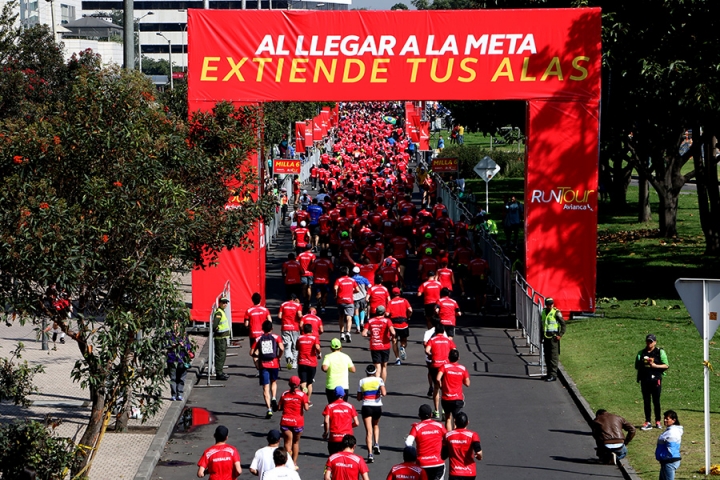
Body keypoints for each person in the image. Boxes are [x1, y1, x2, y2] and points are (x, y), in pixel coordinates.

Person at [251, 320, 285, 418]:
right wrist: (278, 356)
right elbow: (282, 348)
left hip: (263, 365)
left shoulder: (259, 338)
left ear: (262, 329)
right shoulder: (276, 337)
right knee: (274, 382)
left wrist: (256, 357)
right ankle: (274, 398)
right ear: (272, 329)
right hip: (274, 363)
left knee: (265, 387)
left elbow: (251, 352)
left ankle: (269, 409)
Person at [635, 333, 669, 430]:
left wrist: (655, 366)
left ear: (655, 342)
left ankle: (658, 421)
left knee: (656, 401)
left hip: (656, 380)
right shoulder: (641, 353)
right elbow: (637, 366)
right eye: (648, 341)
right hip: (645, 380)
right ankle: (647, 421)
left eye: (651, 341)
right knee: (646, 401)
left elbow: (666, 365)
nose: (649, 343)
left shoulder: (659, 352)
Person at [405, 404, 447, 480]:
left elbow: (408, 443)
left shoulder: (417, 427)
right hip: (438, 463)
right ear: (431, 414)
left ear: (419, 415)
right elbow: (448, 438)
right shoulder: (439, 426)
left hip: (422, 464)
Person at [425, 324, 456, 418]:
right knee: (445, 388)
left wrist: (431, 355)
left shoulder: (432, 340)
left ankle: (437, 410)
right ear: (443, 331)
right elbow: (454, 350)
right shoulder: (448, 340)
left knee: (436, 388)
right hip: (445, 366)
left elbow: (427, 350)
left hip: (435, 365)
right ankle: (444, 409)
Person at [357, 364, 386, 463]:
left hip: (366, 407)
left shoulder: (362, 381)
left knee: (368, 432)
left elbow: (359, 398)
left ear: (366, 372)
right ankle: (376, 444)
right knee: (376, 425)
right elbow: (384, 393)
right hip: (377, 406)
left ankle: (370, 454)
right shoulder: (379, 380)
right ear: (374, 372)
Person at [441, 412, 482, 480]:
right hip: (470, 472)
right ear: (467, 422)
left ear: (455, 423)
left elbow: (443, 456)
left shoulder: (448, 435)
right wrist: (479, 456)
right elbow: (479, 453)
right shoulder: (473, 435)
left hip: (455, 472)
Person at [436, 349, 470, 431]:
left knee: (448, 418)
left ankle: (449, 436)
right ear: (458, 358)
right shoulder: (462, 368)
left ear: (448, 357)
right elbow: (467, 383)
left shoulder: (444, 367)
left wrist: (441, 385)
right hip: (457, 398)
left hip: (446, 398)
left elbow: (437, 378)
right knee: (457, 419)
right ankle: (456, 436)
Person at [278, 376, 309, 464]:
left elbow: (279, 407)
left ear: (289, 384)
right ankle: (294, 463)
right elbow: (306, 408)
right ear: (299, 385)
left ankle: (286, 462)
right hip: (297, 422)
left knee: (287, 443)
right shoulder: (302, 395)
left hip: (285, 421)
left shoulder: (284, 393)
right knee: (295, 442)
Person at [323, 387, 361, 455]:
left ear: (334, 395)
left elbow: (326, 421)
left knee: (334, 459)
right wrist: (349, 426)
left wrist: (326, 432)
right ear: (344, 395)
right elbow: (357, 423)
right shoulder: (350, 406)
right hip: (347, 437)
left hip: (334, 437)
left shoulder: (329, 407)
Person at [362, 305, 395, 382]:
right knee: (384, 366)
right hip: (385, 346)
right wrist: (392, 338)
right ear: (384, 313)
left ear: (376, 312)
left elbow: (364, 333)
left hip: (375, 346)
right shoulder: (387, 321)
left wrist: (370, 335)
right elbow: (393, 332)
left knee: (377, 367)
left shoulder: (370, 321)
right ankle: (382, 385)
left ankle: (377, 386)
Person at [166, 316, 195, 401]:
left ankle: (180, 394)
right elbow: (166, 346)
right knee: (173, 378)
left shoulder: (184, 335)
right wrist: (173, 346)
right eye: (173, 324)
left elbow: (188, 346)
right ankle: (174, 395)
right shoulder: (169, 335)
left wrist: (184, 345)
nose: (175, 326)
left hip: (182, 359)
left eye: (177, 324)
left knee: (181, 378)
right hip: (172, 359)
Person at [322, 337, 356, 403]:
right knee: (343, 406)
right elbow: (353, 370)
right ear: (341, 347)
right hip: (344, 386)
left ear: (331, 348)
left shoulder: (328, 356)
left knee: (332, 407)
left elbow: (325, 368)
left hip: (331, 386)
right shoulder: (346, 356)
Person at [245, 292, 273, 371]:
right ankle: (265, 366)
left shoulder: (249, 311)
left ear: (252, 300)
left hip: (253, 334)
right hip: (263, 334)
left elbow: (246, 324)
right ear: (260, 300)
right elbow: (270, 321)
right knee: (264, 351)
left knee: (254, 353)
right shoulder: (265, 310)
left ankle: (259, 368)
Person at [541, 298, 566, 382]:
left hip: (553, 338)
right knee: (547, 356)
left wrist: (560, 335)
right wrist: (541, 337)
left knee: (553, 357)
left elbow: (563, 325)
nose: (550, 306)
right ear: (546, 305)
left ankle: (553, 375)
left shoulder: (556, 313)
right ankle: (548, 374)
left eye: (551, 304)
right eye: (548, 304)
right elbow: (543, 325)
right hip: (546, 337)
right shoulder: (544, 312)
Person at [296, 323, 321, 403]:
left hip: (302, 362)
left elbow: (297, 348)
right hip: (311, 363)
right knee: (309, 383)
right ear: (311, 330)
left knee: (303, 382)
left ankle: (303, 398)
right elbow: (317, 347)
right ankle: (308, 400)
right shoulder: (314, 338)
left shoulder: (299, 338)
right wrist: (319, 353)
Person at [387, 287, 412, 365]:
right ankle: (403, 347)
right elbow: (410, 310)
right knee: (404, 340)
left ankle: (397, 359)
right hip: (404, 323)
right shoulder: (404, 301)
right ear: (400, 293)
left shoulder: (390, 302)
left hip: (394, 324)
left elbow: (387, 314)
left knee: (394, 341)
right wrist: (408, 316)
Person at [335, 266, 359, 343]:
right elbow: (357, 290)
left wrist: (336, 295)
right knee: (349, 318)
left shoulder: (339, 280)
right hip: (349, 301)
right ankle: (348, 332)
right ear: (348, 272)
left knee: (341, 317)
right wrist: (352, 292)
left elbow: (335, 288)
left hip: (341, 301)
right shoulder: (352, 280)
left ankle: (342, 333)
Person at [656, 410, 683, 480]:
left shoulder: (672, 432)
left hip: (669, 461)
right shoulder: (670, 430)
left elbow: (671, 448)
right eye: (664, 418)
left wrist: (664, 457)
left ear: (674, 420)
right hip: (667, 461)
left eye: (667, 419)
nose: (664, 420)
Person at [279, 294, 302, 370]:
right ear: (295, 299)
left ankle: (289, 357)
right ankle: (294, 363)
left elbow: (279, 316)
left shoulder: (283, 304)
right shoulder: (297, 305)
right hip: (295, 327)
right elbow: (299, 315)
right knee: (295, 345)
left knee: (287, 345)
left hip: (285, 327)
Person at [213, 297, 231, 381]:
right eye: (223, 303)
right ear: (219, 303)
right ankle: (219, 373)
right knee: (220, 356)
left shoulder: (222, 312)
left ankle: (220, 371)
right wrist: (217, 329)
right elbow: (214, 325)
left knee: (222, 355)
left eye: (226, 303)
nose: (225, 304)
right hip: (219, 338)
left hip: (223, 337)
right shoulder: (219, 313)